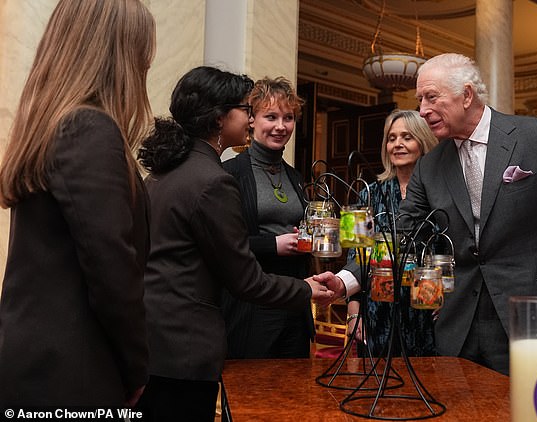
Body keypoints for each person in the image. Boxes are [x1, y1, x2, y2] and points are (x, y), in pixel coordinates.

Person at [136, 66, 336, 422]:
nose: (249, 117)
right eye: (246, 109)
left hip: (155, 339)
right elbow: (245, 279)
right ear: (218, 118)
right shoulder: (214, 179)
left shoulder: (166, 171)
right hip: (186, 345)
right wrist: (305, 290)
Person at [395, 53, 537, 375]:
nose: (422, 111)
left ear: (466, 95)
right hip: (459, 322)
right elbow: (402, 233)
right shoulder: (429, 166)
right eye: (420, 100)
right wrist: (346, 277)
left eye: (431, 97)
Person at [0, 0, 155, 408]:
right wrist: (136, 365)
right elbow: (112, 268)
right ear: (118, 54)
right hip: (73, 371)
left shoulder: (55, 123)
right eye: (141, 53)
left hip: (39, 365)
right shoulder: (88, 128)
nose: (145, 67)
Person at [221, 77, 314, 359]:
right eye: (271, 116)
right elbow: (223, 245)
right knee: (251, 397)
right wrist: (273, 245)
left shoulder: (295, 176)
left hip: (295, 300)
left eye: (288, 118)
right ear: (251, 119)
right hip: (252, 305)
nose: (281, 126)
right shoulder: (231, 173)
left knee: (294, 395)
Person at [334, 110, 438, 357]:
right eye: (392, 138)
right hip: (376, 314)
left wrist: (454, 305)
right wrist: (354, 312)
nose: (397, 144)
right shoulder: (368, 195)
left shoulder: (441, 194)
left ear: (423, 142)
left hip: (427, 314)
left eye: (407, 137)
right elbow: (355, 257)